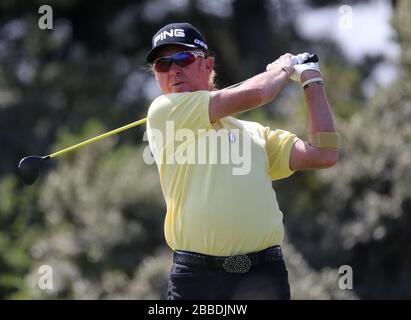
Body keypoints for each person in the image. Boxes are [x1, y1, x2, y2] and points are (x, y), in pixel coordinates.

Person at [145, 22, 339, 300]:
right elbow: (260, 93)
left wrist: (311, 78)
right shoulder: (163, 112)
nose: (173, 69)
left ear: (208, 65)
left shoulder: (255, 133)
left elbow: (324, 153)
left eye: (184, 59)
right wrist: (283, 69)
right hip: (197, 279)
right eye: (163, 65)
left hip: (262, 275)